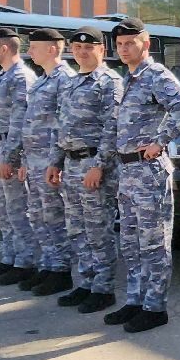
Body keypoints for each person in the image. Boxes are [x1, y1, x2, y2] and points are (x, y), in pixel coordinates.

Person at [105, 17, 180, 332]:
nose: (124, 49)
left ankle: (155, 307)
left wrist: (160, 141)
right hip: (127, 172)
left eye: (130, 43)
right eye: (119, 44)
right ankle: (135, 301)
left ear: (145, 43)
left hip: (148, 172)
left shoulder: (156, 75)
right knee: (130, 242)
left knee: (153, 242)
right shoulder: (129, 78)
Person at [48, 26, 121, 314]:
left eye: (88, 47)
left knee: (97, 229)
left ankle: (103, 289)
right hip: (71, 164)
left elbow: (111, 128)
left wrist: (98, 165)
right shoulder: (71, 82)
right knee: (76, 228)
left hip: (92, 165)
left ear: (101, 50)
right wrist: (55, 161)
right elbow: (61, 126)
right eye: (77, 48)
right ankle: (87, 282)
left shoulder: (109, 82)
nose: (81, 52)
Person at [19, 27, 76, 296]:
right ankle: (48, 265)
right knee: (39, 215)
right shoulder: (44, 79)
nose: (29, 51)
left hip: (50, 160)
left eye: (34, 46)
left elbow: (66, 124)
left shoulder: (65, 79)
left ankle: (61, 270)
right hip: (34, 159)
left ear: (52, 49)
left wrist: (58, 161)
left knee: (54, 216)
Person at [0, 27, 37, 284]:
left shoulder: (21, 77)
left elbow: (20, 122)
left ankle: (26, 262)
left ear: (4, 48)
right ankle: (10, 258)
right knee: (1, 209)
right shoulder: (4, 76)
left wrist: (11, 157)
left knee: (17, 209)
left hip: (8, 150)